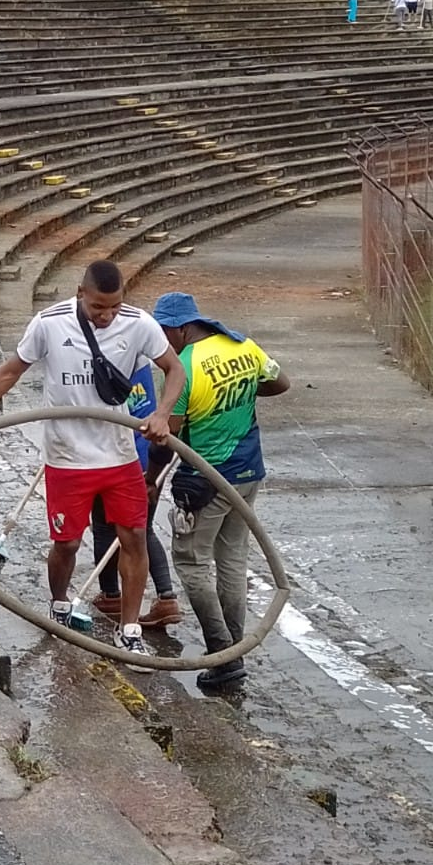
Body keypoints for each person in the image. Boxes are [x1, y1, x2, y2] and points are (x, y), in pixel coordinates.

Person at [0, 260, 186, 655]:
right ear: (80, 294)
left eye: (114, 306)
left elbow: (174, 369)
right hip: (67, 458)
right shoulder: (50, 323)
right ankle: (59, 603)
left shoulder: (138, 323)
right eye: (98, 308)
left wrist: (162, 413)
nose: (107, 316)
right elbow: (9, 373)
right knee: (68, 543)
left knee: (134, 539)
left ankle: (129, 630)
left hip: (119, 455)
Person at [149, 292, 289, 689]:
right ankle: (234, 653)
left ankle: (221, 652)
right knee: (231, 561)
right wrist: (239, 397)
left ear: (179, 328)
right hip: (249, 471)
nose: (162, 340)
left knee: (192, 562)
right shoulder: (242, 344)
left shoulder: (185, 366)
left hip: (207, 479)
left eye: (163, 331)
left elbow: (168, 433)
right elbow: (280, 382)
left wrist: (150, 480)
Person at [88, 360, 183, 629]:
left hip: (116, 456)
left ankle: (111, 596)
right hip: (151, 453)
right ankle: (166, 597)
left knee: (106, 528)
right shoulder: (141, 358)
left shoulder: (102, 361)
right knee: (142, 529)